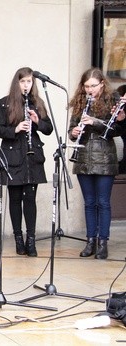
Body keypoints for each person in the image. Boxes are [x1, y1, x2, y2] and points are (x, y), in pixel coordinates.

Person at [0, 67, 53, 257]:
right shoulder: (4, 104)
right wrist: (16, 128)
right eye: (22, 81)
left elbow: (49, 128)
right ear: (16, 83)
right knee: (15, 198)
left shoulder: (37, 103)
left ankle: (31, 240)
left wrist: (36, 122)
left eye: (29, 81)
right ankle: (18, 239)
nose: (26, 85)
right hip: (12, 156)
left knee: (30, 199)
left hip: (32, 156)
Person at [68, 67, 126, 260]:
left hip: (104, 159)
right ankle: (90, 240)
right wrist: (74, 132)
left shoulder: (113, 100)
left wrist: (94, 122)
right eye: (86, 86)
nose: (89, 90)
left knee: (103, 202)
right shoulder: (80, 102)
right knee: (89, 203)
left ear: (102, 83)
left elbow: (116, 130)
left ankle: (103, 242)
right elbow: (71, 128)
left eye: (93, 86)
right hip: (84, 157)